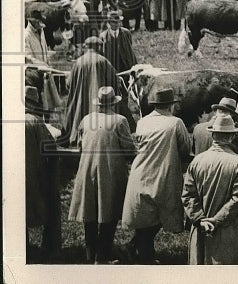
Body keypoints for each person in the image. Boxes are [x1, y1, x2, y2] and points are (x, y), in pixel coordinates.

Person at [122, 87, 192, 263]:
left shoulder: (143, 122)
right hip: (162, 173)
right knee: (161, 213)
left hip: (141, 172)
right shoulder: (175, 123)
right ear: (170, 105)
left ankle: (138, 249)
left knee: (146, 215)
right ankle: (142, 255)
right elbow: (185, 148)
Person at [68, 86, 136, 263]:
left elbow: (79, 145)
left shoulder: (86, 120)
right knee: (109, 212)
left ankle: (91, 257)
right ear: (114, 102)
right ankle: (102, 257)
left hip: (87, 170)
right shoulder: (119, 121)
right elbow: (129, 149)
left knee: (89, 215)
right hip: (109, 171)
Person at [182, 113, 238, 264]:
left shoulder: (197, 161)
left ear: (213, 135)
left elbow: (188, 195)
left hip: (202, 229)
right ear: (231, 137)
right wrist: (216, 220)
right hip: (231, 230)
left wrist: (201, 219)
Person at [63, 36, 133, 144]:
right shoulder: (102, 61)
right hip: (99, 102)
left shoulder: (78, 62)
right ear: (99, 47)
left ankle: (76, 139)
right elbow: (114, 80)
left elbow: (68, 84)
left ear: (86, 47)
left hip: (80, 102)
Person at [25, 85, 61, 261]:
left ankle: (21, 245)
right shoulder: (34, 120)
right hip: (32, 173)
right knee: (49, 201)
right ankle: (50, 248)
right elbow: (50, 146)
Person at [99, 10, 137, 75]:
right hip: (112, 66)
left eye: (118, 22)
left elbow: (130, 49)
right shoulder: (103, 36)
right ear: (109, 22)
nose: (117, 24)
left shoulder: (126, 33)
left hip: (125, 65)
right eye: (114, 22)